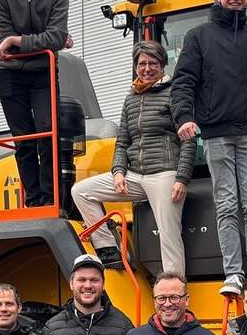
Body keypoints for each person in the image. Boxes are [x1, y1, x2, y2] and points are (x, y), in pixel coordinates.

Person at [170, 0, 247, 297]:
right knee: (228, 204)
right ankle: (233, 273)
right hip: (216, 135)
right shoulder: (199, 37)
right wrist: (184, 118)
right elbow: (184, 82)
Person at [71, 40, 194, 275]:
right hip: (135, 176)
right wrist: (118, 172)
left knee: (168, 233)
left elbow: (187, 140)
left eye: (153, 63)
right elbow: (123, 142)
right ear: (135, 67)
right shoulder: (130, 99)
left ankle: (175, 290)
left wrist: (181, 178)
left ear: (162, 66)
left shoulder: (174, 94)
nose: (147, 68)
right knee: (80, 191)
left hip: (165, 174)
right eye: (142, 64)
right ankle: (109, 248)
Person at [0, 0, 71, 209]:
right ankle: (34, 200)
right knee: (23, 138)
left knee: (48, 132)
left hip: (42, 71)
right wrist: (46, 38)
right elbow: (8, 34)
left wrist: (15, 41)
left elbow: (56, 36)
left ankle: (50, 200)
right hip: (8, 72)